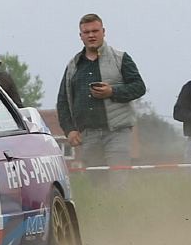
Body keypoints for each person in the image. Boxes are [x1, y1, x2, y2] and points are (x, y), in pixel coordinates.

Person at [56, 14, 147, 179]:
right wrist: (69, 130)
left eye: (95, 31)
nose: (91, 35)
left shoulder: (121, 58)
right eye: (87, 32)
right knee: (98, 184)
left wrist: (113, 91)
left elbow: (139, 87)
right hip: (88, 135)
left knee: (119, 182)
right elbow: (63, 101)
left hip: (117, 132)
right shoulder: (72, 66)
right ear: (81, 36)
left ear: (103, 32)